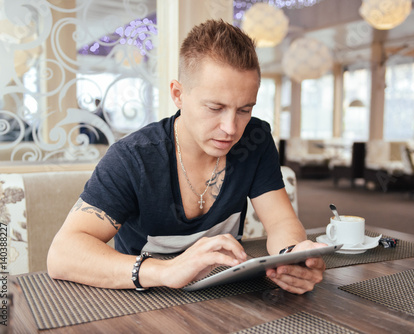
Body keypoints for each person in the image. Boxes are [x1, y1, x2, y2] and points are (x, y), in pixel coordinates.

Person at [47, 19, 326, 295]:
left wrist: (291, 256)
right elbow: (63, 254)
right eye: (215, 108)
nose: (231, 129)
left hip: (225, 296)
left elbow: (280, 222)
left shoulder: (255, 139)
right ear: (178, 95)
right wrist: (166, 271)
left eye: (244, 110)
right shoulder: (132, 158)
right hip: (142, 300)